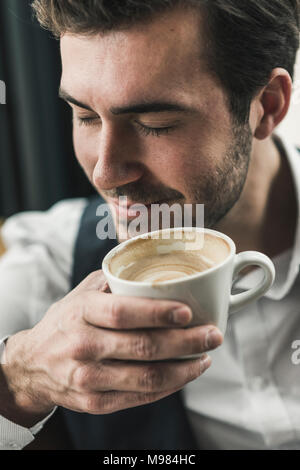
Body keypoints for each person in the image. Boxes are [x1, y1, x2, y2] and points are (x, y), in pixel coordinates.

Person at [0, 0, 300, 450]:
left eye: (154, 123)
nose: (104, 173)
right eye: (84, 116)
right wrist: (17, 383)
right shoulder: (42, 266)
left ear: (268, 106)